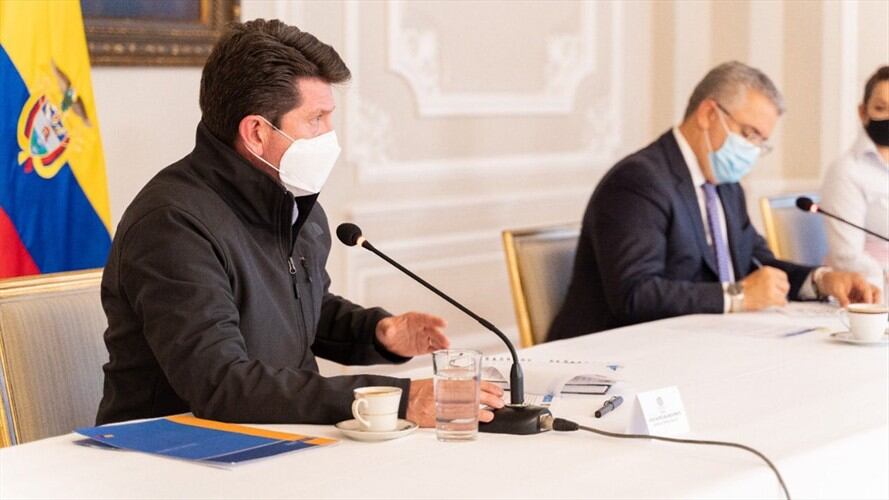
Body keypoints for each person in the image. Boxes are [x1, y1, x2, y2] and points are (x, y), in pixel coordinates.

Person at [96, 19, 504, 427]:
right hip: (165, 453)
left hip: (275, 437)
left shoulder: (291, 203)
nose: (330, 136)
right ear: (256, 132)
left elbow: (297, 308)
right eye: (316, 120)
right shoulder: (172, 225)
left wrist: (377, 332)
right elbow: (220, 384)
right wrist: (394, 399)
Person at [549, 61, 881, 340]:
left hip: (698, 343)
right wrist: (738, 296)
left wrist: (823, 280)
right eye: (750, 134)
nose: (752, 151)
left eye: (761, 142)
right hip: (615, 357)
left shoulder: (725, 185)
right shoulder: (639, 181)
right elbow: (635, 295)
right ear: (709, 114)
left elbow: (759, 264)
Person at [820, 66, 889, 295]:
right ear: (863, 111)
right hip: (870, 295)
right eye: (880, 108)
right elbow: (846, 257)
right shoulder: (846, 172)